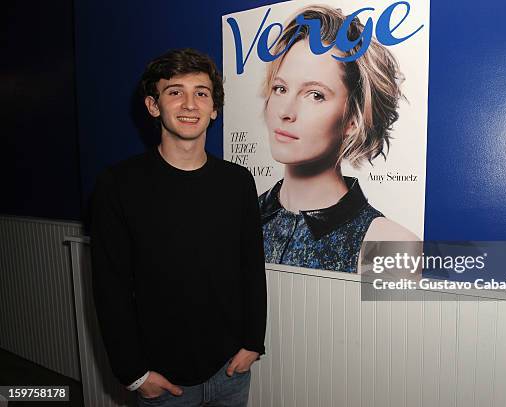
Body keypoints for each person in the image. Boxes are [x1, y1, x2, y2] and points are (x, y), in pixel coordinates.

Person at [90, 48, 266, 407]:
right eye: (175, 92)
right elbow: (111, 287)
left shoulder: (238, 182)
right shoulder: (118, 184)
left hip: (231, 371)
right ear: (154, 106)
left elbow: (252, 268)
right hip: (162, 380)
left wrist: (253, 343)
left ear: (214, 109)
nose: (190, 104)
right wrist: (134, 374)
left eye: (201, 93)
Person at [258, 5, 419, 274]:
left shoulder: (390, 246)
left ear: (353, 120)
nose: (285, 112)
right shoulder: (240, 218)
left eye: (315, 95)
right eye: (280, 88)